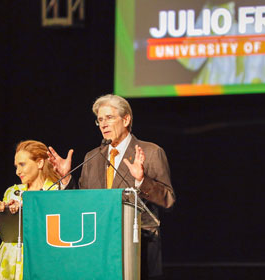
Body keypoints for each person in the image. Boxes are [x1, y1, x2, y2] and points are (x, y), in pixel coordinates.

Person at [47, 94, 176, 279]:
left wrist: (141, 180)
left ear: (126, 119)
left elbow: (168, 200)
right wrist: (66, 179)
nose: (103, 124)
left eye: (109, 118)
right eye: (100, 120)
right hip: (97, 247)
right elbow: (83, 203)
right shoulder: (92, 157)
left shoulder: (150, 152)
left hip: (138, 246)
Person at [0, 140, 62, 280]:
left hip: (40, 260)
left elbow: (56, 229)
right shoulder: (13, 191)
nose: (18, 171)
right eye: (16, 166)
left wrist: (24, 209)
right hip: (9, 264)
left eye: (22, 164)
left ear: (40, 163)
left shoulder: (55, 191)